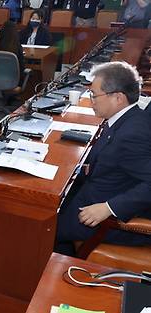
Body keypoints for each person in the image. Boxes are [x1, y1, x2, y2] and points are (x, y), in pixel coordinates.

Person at [55, 61, 151, 256]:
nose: (91, 100)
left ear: (118, 98)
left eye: (94, 95)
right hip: (96, 192)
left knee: (41, 225)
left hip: (109, 219)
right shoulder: (124, 118)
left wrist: (109, 208)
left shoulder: (132, 133)